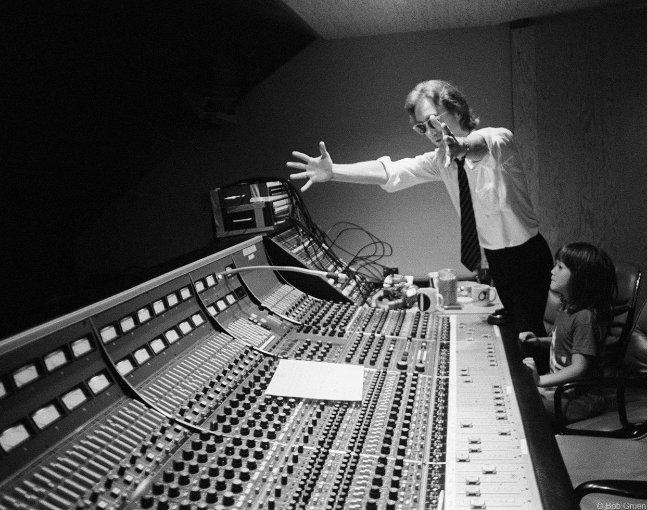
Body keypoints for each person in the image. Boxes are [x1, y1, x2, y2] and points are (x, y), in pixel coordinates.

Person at [287, 79, 553, 339]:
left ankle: (541, 380)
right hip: (497, 258)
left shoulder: (498, 138)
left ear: (458, 109)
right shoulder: (440, 161)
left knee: (529, 333)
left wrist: (461, 148)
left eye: (435, 120)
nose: (431, 131)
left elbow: (479, 146)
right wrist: (334, 172)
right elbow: (391, 171)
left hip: (527, 255)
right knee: (514, 330)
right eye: (422, 127)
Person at [520, 242, 617, 424]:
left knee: (525, 410)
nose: (552, 270)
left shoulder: (584, 318)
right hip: (562, 392)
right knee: (520, 397)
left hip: (580, 401)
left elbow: (579, 367)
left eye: (560, 267)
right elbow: (566, 343)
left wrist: (541, 380)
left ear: (580, 278)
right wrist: (540, 341)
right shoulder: (567, 309)